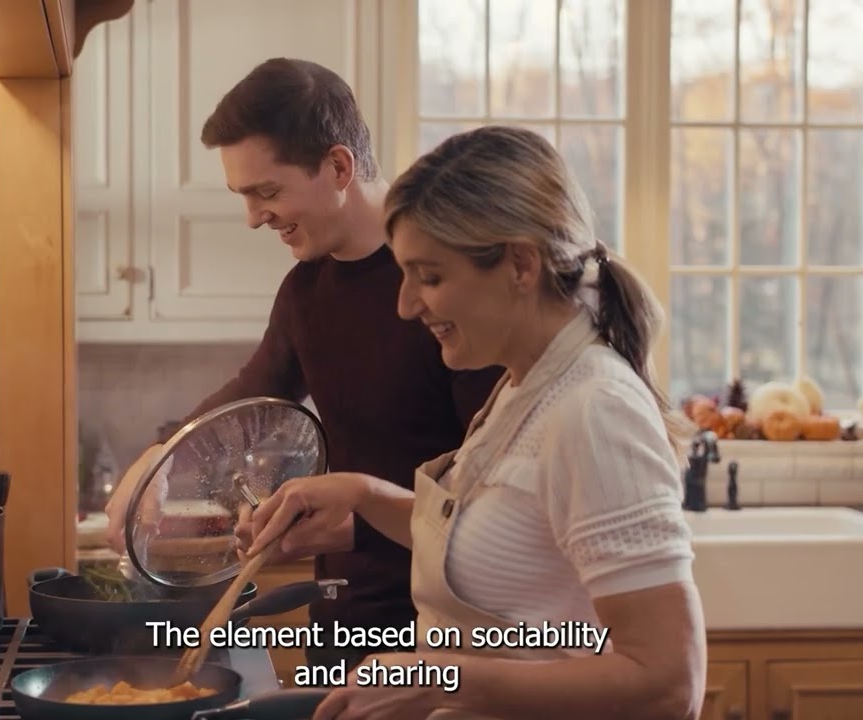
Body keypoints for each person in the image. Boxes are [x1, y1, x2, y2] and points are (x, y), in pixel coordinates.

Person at [242, 125, 707, 720]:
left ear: (520, 265)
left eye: (430, 277)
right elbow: (495, 540)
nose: (406, 305)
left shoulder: (595, 411)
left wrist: (443, 681)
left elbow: (669, 684)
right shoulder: (523, 387)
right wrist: (362, 494)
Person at [101, 57, 503, 674]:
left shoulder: (443, 289)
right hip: (343, 616)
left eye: (267, 191)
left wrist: (358, 524)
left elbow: (494, 493)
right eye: (244, 196)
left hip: (447, 629)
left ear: (338, 167)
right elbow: (253, 395)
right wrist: (157, 462)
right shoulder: (305, 290)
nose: (253, 217)